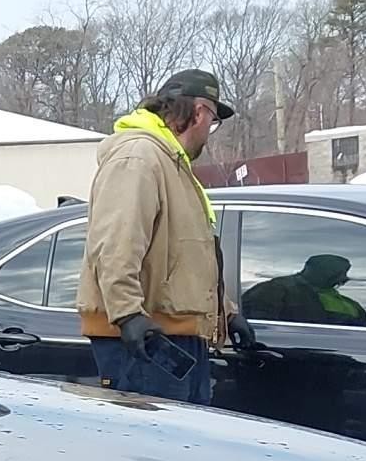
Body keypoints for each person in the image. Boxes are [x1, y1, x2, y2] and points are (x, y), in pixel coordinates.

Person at [79, 69, 254, 403]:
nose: (209, 132)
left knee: (182, 450)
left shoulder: (170, 163)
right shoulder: (138, 158)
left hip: (176, 338)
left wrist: (226, 313)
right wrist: (128, 314)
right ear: (199, 112)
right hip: (145, 342)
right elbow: (115, 244)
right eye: (213, 121)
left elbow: (187, 256)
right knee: (155, 452)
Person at [240, 252, 366, 326]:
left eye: (344, 273)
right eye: (339, 273)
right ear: (323, 272)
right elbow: (259, 329)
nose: (344, 278)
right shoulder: (274, 290)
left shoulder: (351, 305)